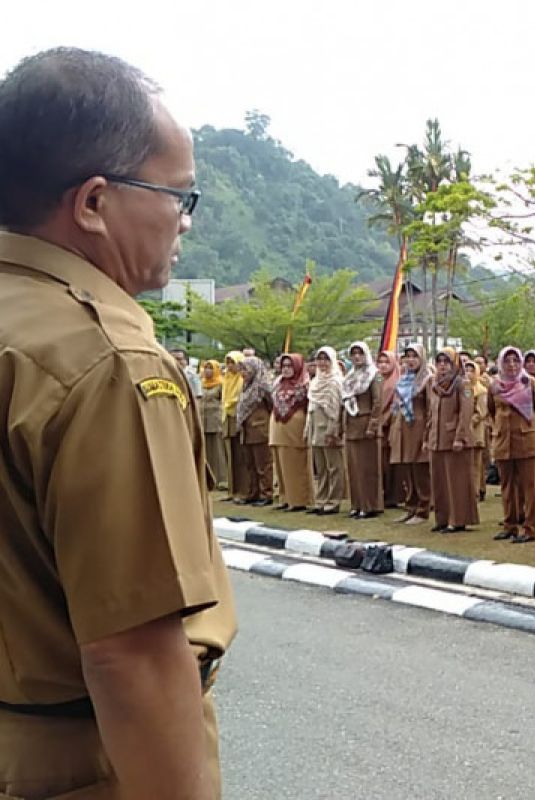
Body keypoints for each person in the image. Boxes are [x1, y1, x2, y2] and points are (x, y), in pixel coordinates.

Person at [0, 47, 236, 798]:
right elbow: (131, 652)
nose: (184, 224)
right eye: (178, 196)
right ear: (94, 202)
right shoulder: (107, 358)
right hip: (78, 762)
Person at [489, 346, 535, 544]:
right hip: (504, 441)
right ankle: (510, 525)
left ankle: (530, 528)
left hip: (528, 440)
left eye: (515, 360)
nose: (511, 365)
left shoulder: (531, 383)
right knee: (507, 487)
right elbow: (491, 410)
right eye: (507, 361)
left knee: (532, 488)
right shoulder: (495, 386)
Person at [427, 347, 479, 533]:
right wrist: (429, 437)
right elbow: (431, 413)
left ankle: (457, 519)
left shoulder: (462, 384)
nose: (442, 366)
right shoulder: (434, 385)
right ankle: (442, 518)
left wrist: (460, 438)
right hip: (438, 439)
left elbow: (465, 414)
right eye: (439, 361)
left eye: (446, 362)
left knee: (456, 482)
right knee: (440, 482)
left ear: (455, 363)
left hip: (455, 441)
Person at [391, 344, 434, 525]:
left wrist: (427, 433)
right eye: (407, 356)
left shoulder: (427, 379)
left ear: (422, 358)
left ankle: (423, 509)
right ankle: (411, 507)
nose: (410, 360)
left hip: (420, 426)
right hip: (404, 428)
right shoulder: (404, 379)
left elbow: (431, 408)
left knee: (420, 470)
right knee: (407, 468)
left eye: (414, 356)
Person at [343, 341, 384, 519]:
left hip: (366, 424)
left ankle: (370, 505)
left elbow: (378, 402)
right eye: (353, 354)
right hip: (351, 425)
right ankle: (357, 504)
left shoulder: (374, 375)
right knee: (354, 468)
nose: (357, 357)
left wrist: (373, 425)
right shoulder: (350, 376)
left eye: (360, 353)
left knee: (367, 468)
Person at [269, 353, 313, 513]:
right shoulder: (277, 383)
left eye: (290, 366)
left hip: (295, 427)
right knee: (280, 464)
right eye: (284, 366)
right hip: (277, 426)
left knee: (295, 464)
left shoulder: (305, 384)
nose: (286, 369)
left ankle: (299, 499)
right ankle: (284, 497)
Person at [305, 346, 346, 515]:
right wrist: (307, 428)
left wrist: (332, 431)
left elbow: (336, 409)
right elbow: (311, 407)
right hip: (315, 427)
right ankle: (321, 500)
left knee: (334, 467)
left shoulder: (336, 381)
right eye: (319, 359)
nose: (322, 363)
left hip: (328, 427)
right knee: (320, 468)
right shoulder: (315, 381)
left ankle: (333, 501)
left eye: (325, 359)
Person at [236, 355, 274, 507]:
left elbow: (272, 405)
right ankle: (253, 492)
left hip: (260, 428)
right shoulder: (246, 387)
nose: (243, 373)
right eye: (242, 370)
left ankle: (266, 494)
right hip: (246, 430)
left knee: (263, 464)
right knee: (250, 464)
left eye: (246, 369)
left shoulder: (263, 386)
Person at [375, 350, 403, 508]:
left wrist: (384, 420)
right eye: (380, 362)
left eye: (386, 362)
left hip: (390, 427)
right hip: (376, 427)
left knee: (391, 463)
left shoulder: (397, 381)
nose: (383, 366)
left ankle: (393, 495)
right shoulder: (377, 379)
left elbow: (396, 405)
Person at [221, 350, 248, 501]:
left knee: (240, 456)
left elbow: (238, 398)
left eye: (234, 363)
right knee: (230, 455)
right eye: (228, 363)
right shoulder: (226, 378)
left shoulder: (242, 379)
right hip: (227, 417)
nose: (231, 366)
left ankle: (243, 490)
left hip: (238, 416)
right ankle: (232, 490)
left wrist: (229, 404)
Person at [464, 360, 490, 503]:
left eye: (471, 370)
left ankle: (475, 492)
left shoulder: (481, 390)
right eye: (466, 370)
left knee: (476, 465)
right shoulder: (466, 389)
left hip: (476, 431)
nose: (468, 373)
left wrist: (468, 422)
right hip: (466, 432)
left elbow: (481, 412)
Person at [199, 359, 227, 488]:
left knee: (217, 449)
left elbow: (224, 400)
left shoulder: (221, 383)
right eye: (206, 368)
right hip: (203, 418)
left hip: (215, 419)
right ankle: (207, 477)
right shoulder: (201, 383)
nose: (207, 371)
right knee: (206, 449)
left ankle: (221, 478)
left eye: (210, 368)